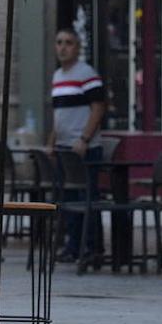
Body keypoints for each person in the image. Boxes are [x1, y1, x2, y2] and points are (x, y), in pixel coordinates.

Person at [47, 29, 107, 262]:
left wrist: (84, 138)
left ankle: (92, 248)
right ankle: (73, 246)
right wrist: (52, 142)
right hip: (64, 149)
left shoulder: (86, 73)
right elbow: (58, 114)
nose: (63, 47)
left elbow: (98, 107)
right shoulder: (58, 76)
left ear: (78, 47)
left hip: (84, 148)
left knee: (88, 197)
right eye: (59, 42)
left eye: (68, 43)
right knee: (70, 198)